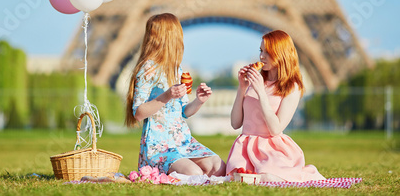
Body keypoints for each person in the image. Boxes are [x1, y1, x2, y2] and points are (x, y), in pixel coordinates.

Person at [125, 13, 226, 176]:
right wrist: (166, 96)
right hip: (158, 147)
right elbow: (138, 113)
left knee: (218, 167)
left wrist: (199, 101)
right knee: (194, 173)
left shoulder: (177, 71)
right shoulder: (147, 69)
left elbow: (184, 112)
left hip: (183, 142)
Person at [226, 30, 325, 182]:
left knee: (267, 177)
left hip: (271, 149)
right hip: (244, 149)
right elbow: (235, 123)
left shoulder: (292, 87)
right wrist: (242, 88)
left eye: (267, 52)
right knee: (240, 177)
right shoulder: (255, 82)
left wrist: (260, 92)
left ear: (281, 53)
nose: (261, 56)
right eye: (261, 51)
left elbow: (276, 129)